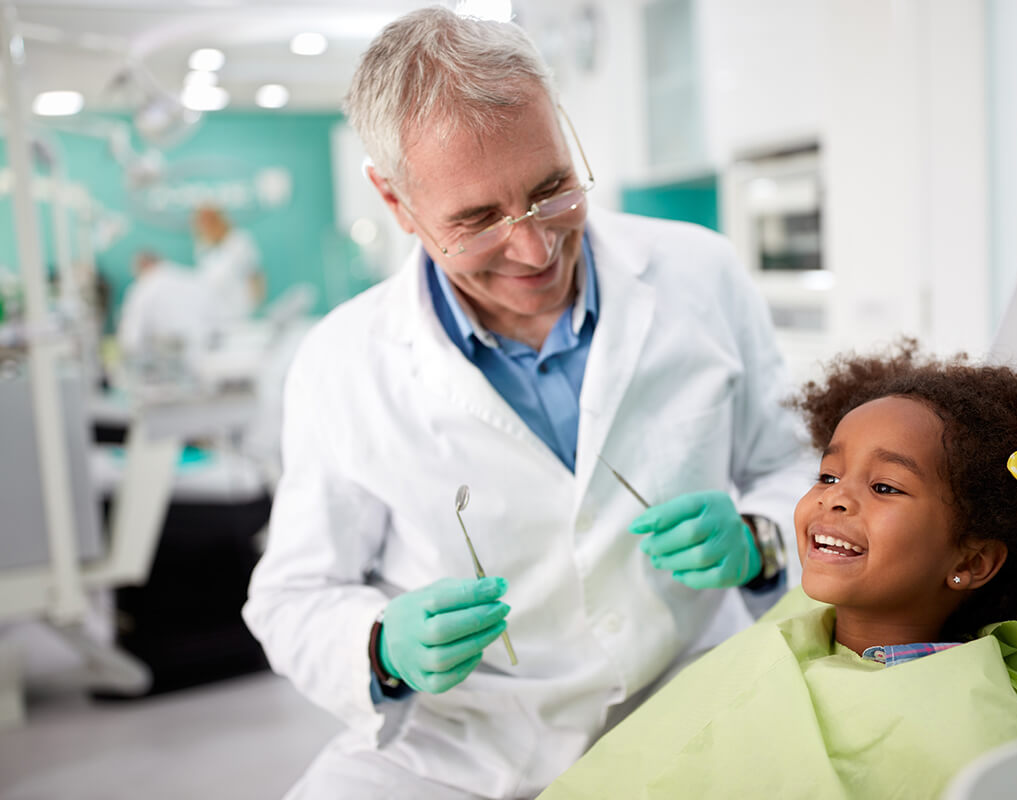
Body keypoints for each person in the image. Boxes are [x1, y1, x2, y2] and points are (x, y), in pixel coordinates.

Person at [241, 7, 808, 799]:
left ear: (569, 139)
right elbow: (294, 597)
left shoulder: (701, 275)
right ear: (397, 203)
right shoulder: (343, 364)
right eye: (475, 221)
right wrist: (380, 648)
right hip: (464, 746)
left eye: (551, 191)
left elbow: (792, 467)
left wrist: (762, 539)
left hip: (688, 696)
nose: (535, 249)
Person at [539, 341, 1017, 799]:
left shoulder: (972, 720)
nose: (835, 496)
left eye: (885, 488)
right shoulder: (799, 620)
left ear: (970, 561)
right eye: (827, 473)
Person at [116, 249, 216, 359]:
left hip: (171, 360)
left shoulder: (143, 288)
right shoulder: (190, 277)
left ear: (143, 266)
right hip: (208, 351)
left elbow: (131, 338)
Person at [192, 205, 264, 323]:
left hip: (241, 313)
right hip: (214, 315)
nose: (206, 226)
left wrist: (255, 309)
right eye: (202, 222)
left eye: (211, 220)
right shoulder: (202, 246)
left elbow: (255, 275)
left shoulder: (239, 241)